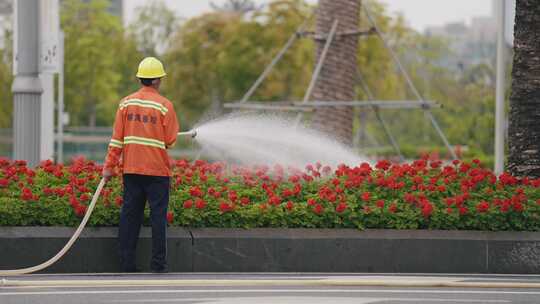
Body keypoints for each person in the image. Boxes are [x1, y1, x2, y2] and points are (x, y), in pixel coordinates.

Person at [102, 57, 179, 273]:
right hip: (157, 172)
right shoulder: (165, 106)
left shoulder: (125, 103)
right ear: (156, 81)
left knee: (130, 216)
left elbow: (116, 140)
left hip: (132, 170)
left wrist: (109, 166)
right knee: (158, 219)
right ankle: (158, 265)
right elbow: (170, 141)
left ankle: (126, 264)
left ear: (140, 79)